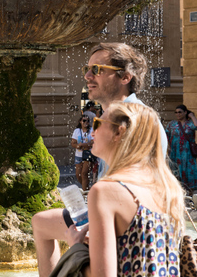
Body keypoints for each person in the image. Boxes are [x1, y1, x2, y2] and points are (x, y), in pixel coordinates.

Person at [32, 42, 168, 277]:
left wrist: (90, 231)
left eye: (97, 69)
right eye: (87, 68)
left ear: (124, 77)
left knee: (43, 223)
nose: (87, 75)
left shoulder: (132, 121)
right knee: (42, 222)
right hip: (124, 218)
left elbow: (138, 195)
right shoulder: (125, 116)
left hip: (128, 227)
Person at [52, 102, 185, 276]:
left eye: (98, 123)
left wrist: (76, 246)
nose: (93, 132)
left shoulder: (105, 191)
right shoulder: (165, 187)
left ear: (119, 132)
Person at [165, 104, 197, 193]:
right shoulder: (172, 124)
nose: (178, 114)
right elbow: (165, 136)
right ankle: (176, 196)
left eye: (180, 112)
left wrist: (192, 116)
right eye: (176, 112)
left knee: (188, 174)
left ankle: (190, 196)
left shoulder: (190, 123)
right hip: (175, 154)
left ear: (185, 112)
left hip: (188, 154)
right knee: (175, 174)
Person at [71, 116, 93, 191]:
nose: (86, 122)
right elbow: (73, 143)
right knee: (78, 174)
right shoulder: (77, 131)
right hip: (79, 155)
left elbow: (92, 143)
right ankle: (86, 188)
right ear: (80, 121)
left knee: (84, 173)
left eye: (87, 121)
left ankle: (85, 192)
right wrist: (78, 146)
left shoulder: (91, 130)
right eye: (84, 120)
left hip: (88, 154)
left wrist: (82, 145)